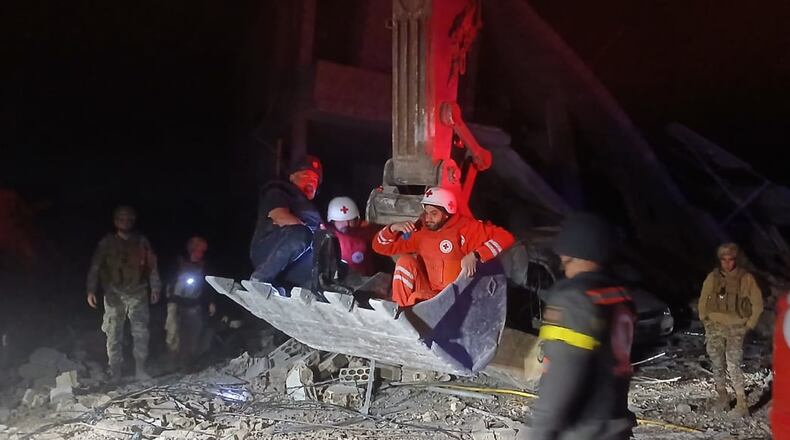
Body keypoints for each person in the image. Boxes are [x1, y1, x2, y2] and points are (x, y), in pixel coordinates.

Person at [523, 212, 636, 440]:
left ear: (571, 252)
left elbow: (564, 371)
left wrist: (539, 432)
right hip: (614, 422)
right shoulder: (620, 295)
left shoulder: (573, 298)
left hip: (582, 427)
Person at [371, 187, 514, 307]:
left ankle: (408, 317)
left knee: (417, 296)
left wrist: (476, 254)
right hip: (428, 291)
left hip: (453, 298)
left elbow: (505, 237)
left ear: (447, 213)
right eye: (426, 212)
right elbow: (380, 247)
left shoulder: (466, 228)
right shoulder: (420, 230)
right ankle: (400, 312)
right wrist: (392, 229)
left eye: (434, 214)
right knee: (404, 262)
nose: (427, 218)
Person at [86, 205, 161, 381]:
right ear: (115, 221)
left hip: (138, 292)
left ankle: (140, 369)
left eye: (128, 219)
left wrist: (155, 286)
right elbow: (95, 267)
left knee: (141, 332)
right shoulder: (107, 243)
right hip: (114, 294)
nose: (125, 222)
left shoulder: (141, 241)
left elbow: (152, 265)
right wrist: (91, 289)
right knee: (113, 332)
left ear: (133, 221)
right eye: (121, 218)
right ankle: (115, 372)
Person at [698, 242, 763, 416]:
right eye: (724, 260)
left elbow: (757, 304)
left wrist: (749, 325)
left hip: (736, 326)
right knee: (717, 362)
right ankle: (723, 397)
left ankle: (742, 404)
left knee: (733, 363)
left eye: (731, 259)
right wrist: (705, 320)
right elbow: (703, 300)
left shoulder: (745, 278)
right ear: (720, 260)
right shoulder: (713, 277)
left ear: (736, 259)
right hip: (715, 326)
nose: (727, 263)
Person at [249, 155, 323, 289]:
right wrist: (313, 238)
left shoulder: (313, 211)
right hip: (270, 251)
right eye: (305, 175)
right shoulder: (279, 191)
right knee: (302, 234)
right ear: (292, 177)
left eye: (315, 179)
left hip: (296, 264)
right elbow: (280, 216)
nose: (311, 181)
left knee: (332, 263)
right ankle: (261, 278)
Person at [165, 236, 216, 371]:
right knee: (173, 333)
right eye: (197, 249)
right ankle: (172, 362)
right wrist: (170, 298)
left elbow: (207, 285)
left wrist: (211, 302)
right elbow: (169, 280)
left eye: (202, 250)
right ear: (190, 249)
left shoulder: (204, 265)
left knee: (192, 335)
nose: (199, 252)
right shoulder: (178, 262)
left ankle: (186, 363)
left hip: (194, 304)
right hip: (176, 303)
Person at [325, 196, 380, 276]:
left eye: (350, 220)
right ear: (332, 221)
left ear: (357, 220)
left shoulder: (367, 231)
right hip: (341, 282)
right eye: (341, 221)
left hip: (366, 280)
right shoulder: (327, 236)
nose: (346, 224)